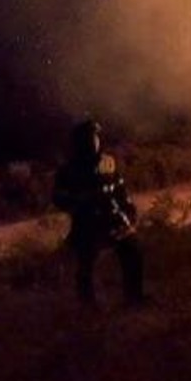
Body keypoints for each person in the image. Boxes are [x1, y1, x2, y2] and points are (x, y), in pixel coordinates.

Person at [52, 119, 146, 307]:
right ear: (79, 142)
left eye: (95, 137)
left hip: (114, 220)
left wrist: (129, 212)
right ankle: (88, 305)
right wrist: (80, 202)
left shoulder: (108, 162)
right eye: (89, 137)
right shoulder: (69, 170)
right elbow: (59, 198)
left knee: (133, 252)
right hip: (87, 224)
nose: (94, 141)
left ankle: (134, 298)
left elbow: (120, 190)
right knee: (86, 265)